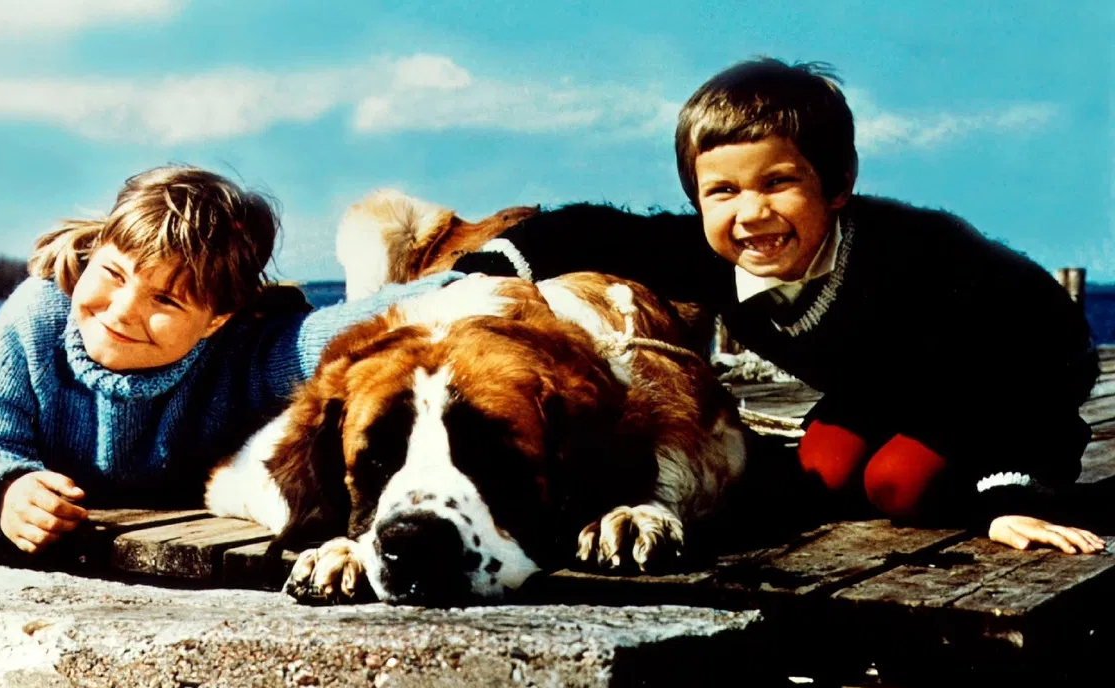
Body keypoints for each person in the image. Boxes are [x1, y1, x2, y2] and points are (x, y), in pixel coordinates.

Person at [453, 58, 1105, 554]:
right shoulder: (707, 254)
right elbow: (594, 229)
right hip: (881, 380)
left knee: (901, 485)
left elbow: (1014, 382)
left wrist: (1009, 496)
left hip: (1015, 370)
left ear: (839, 185)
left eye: (779, 182)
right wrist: (477, 273)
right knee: (820, 472)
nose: (751, 214)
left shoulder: (919, 263)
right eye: (723, 191)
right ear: (698, 201)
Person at [0, 166, 460, 553]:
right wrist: (5, 491)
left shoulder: (245, 352)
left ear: (215, 319)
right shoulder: (38, 316)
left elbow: (349, 322)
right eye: (114, 274)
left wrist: (475, 278)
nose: (122, 311)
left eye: (165, 300)